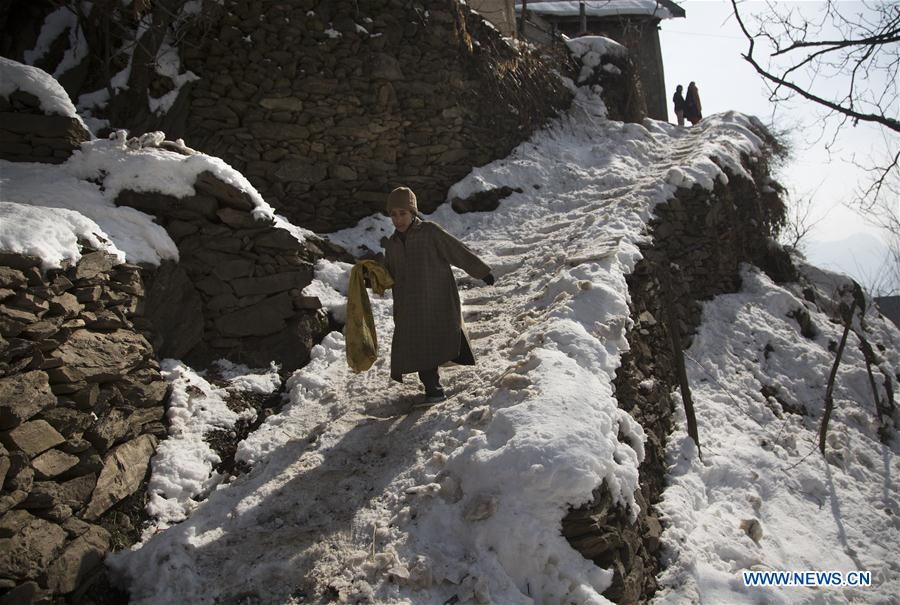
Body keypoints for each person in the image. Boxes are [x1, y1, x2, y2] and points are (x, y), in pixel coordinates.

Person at [382, 186, 495, 404]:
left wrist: (482, 271)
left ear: (413, 212)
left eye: (402, 213)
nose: (398, 219)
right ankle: (432, 387)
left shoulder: (430, 232)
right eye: (393, 215)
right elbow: (388, 274)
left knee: (435, 338)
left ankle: (434, 388)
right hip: (408, 304)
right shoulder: (392, 244)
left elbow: (456, 250)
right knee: (416, 342)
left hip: (435, 297)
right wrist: (371, 278)